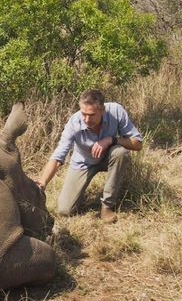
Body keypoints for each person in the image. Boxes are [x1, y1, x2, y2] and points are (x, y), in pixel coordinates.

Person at [36, 89, 143, 223]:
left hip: (108, 157)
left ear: (102, 111)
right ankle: (79, 195)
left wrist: (111, 140)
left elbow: (138, 144)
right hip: (83, 162)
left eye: (91, 115)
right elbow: (58, 156)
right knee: (64, 210)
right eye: (83, 114)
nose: (86, 119)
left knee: (120, 153)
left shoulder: (116, 111)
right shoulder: (74, 123)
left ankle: (107, 206)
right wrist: (43, 183)